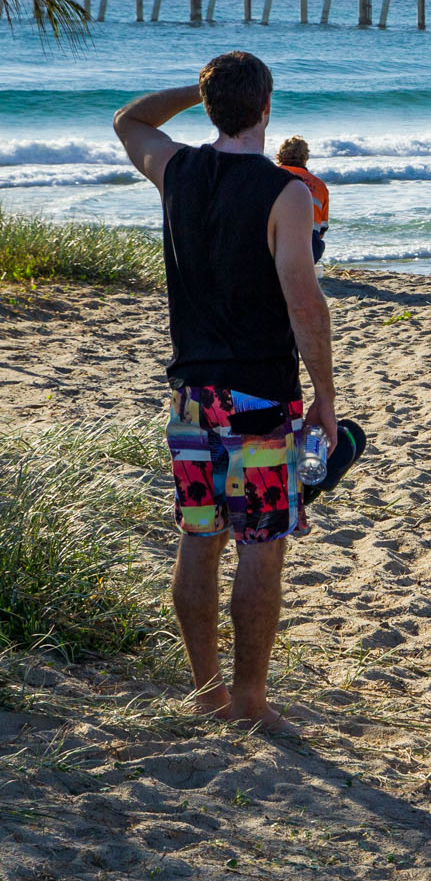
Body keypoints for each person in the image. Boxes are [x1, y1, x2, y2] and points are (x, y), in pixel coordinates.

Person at [111, 53, 339, 735]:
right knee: (261, 544)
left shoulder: (176, 171)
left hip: (192, 395)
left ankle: (205, 691)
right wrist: (325, 395)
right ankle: (249, 699)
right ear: (266, 107)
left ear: (209, 108)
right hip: (261, 399)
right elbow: (306, 303)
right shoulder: (285, 192)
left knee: (199, 535)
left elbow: (129, 120)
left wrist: (200, 90)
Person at [274, 136, 330, 263]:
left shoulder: (267, 176)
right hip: (310, 249)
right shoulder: (320, 185)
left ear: (280, 155)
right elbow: (322, 228)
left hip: (276, 244)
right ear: (305, 158)